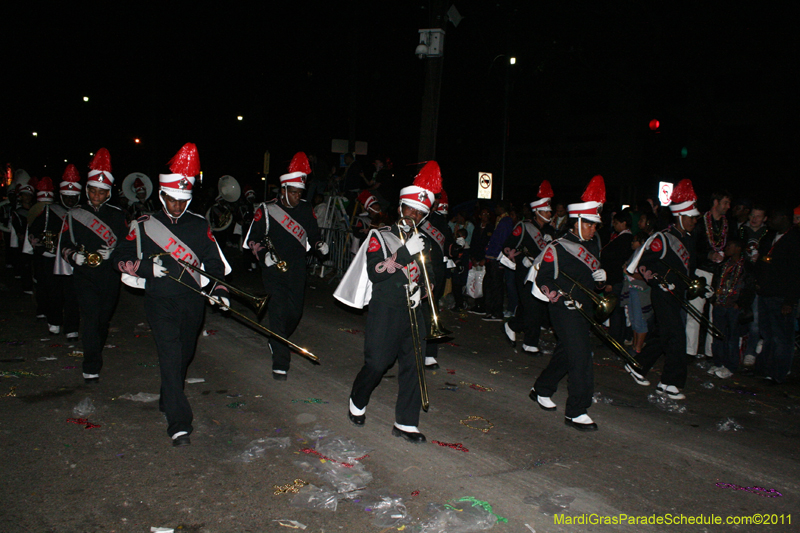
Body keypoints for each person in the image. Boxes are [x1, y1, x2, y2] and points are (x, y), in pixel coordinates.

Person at [115, 143, 231, 447]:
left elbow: (215, 263)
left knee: (184, 356)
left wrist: (218, 289)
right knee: (169, 355)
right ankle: (179, 424)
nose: (177, 207)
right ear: (162, 196)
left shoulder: (199, 224)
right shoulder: (143, 224)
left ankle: (169, 397)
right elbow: (120, 257)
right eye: (172, 200)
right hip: (159, 301)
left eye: (183, 201)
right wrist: (146, 268)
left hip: (192, 301)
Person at [334, 161, 440, 443]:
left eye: (420, 212)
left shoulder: (426, 242)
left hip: (414, 311)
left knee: (414, 365)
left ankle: (406, 422)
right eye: (409, 209)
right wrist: (404, 254)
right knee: (378, 363)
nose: (413, 215)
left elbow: (428, 276)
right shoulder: (379, 236)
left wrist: (425, 291)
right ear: (400, 208)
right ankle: (358, 398)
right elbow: (376, 271)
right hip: (386, 309)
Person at [528, 175, 608, 431]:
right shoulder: (558, 247)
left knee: (567, 354)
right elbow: (543, 278)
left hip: (584, 310)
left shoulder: (593, 245)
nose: (595, 230)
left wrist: (600, 280)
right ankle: (576, 410)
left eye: (596, 225)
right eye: (591, 225)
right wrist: (556, 295)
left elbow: (592, 279)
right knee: (582, 356)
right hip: (563, 310)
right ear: (579, 221)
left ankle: (541, 388)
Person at [624, 179, 711, 400]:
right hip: (663, 293)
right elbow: (644, 264)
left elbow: (687, 268)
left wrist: (700, 286)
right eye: (691, 217)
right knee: (676, 336)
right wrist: (658, 280)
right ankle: (670, 382)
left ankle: (636, 365)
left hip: (677, 293)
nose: (694, 221)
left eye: (695, 218)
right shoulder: (663, 239)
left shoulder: (689, 240)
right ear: (681, 216)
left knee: (663, 335)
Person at [244, 152, 327, 381]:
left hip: (298, 266)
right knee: (278, 311)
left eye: (299, 192)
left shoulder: (305, 207)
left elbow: (312, 233)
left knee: (295, 312)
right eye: (292, 191)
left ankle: (276, 338)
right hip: (273, 267)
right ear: (282, 190)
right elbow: (252, 239)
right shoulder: (266, 209)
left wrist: (320, 244)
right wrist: (263, 255)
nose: (296, 196)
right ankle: (280, 362)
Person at [56, 148, 127, 384]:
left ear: (108, 194)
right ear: (87, 191)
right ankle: (91, 365)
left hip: (109, 275)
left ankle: (95, 346)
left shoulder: (118, 215)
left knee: (102, 320)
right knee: (90, 317)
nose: (96, 196)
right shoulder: (74, 214)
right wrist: (73, 255)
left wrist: (114, 253)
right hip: (84, 274)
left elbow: (128, 245)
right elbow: (64, 244)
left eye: (102, 192)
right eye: (93, 191)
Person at [501, 180, 556, 353]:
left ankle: (513, 325)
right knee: (533, 309)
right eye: (547, 210)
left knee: (536, 309)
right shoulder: (524, 227)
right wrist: (520, 258)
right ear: (538, 211)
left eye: (550, 210)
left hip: (541, 275)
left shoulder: (550, 232)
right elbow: (508, 246)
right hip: (525, 273)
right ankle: (529, 344)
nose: (550, 213)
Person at [752, 206, 800, 384]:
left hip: (781, 296)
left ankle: (778, 374)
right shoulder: (770, 237)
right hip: (766, 293)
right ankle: (764, 369)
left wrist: (790, 300)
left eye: (773, 217)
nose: (769, 221)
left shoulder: (794, 239)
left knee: (782, 337)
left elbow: (796, 273)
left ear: (784, 218)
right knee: (767, 334)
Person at [417, 184, 459, 369]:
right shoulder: (413, 217)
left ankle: (429, 353)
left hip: (435, 271)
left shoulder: (439, 221)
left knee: (431, 311)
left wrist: (454, 249)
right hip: (414, 269)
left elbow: (447, 242)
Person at [690, 190, 731, 358]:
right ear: (715, 203)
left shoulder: (730, 225)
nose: (728, 207)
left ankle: (710, 352)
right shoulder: (699, 223)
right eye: (725, 203)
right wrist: (708, 255)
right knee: (694, 312)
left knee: (715, 314)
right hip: (701, 271)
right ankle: (690, 351)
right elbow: (692, 250)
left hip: (720, 274)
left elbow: (735, 246)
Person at [707, 239, 753, 379]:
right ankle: (718, 362)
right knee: (717, 335)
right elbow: (716, 282)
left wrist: (740, 303)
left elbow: (749, 286)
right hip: (720, 304)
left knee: (732, 337)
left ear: (738, 248)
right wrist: (714, 299)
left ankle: (731, 366)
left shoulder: (746, 266)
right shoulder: (723, 265)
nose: (727, 248)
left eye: (730, 245)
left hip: (733, 306)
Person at [739, 204, 768, 366]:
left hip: (756, 280)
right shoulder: (742, 230)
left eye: (758, 216)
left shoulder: (767, 234)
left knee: (755, 318)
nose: (754, 219)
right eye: (752, 215)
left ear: (764, 219)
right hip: (741, 277)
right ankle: (736, 348)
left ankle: (750, 352)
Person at [600, 209, 634, 345]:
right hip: (618, 279)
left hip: (616, 280)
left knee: (616, 310)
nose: (614, 225)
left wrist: (610, 282)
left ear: (623, 223)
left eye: (616, 222)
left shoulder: (624, 240)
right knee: (618, 310)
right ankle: (617, 337)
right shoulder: (623, 238)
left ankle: (614, 339)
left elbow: (615, 263)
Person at [482, 201, 514, 321]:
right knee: (490, 285)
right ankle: (490, 311)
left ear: (501, 208)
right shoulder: (500, 220)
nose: (495, 209)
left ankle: (496, 312)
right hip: (492, 256)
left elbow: (503, 240)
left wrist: (497, 255)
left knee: (496, 286)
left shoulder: (506, 221)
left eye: (496, 207)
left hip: (496, 257)